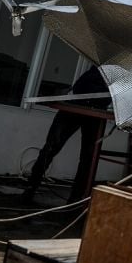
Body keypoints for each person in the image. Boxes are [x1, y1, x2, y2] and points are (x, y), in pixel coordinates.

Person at [22, 66, 111, 203]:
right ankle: (30, 188)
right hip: (74, 107)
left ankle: (76, 199)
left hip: (94, 113)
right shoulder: (97, 71)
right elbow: (80, 88)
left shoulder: (117, 77)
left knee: (88, 157)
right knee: (51, 148)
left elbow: (107, 98)